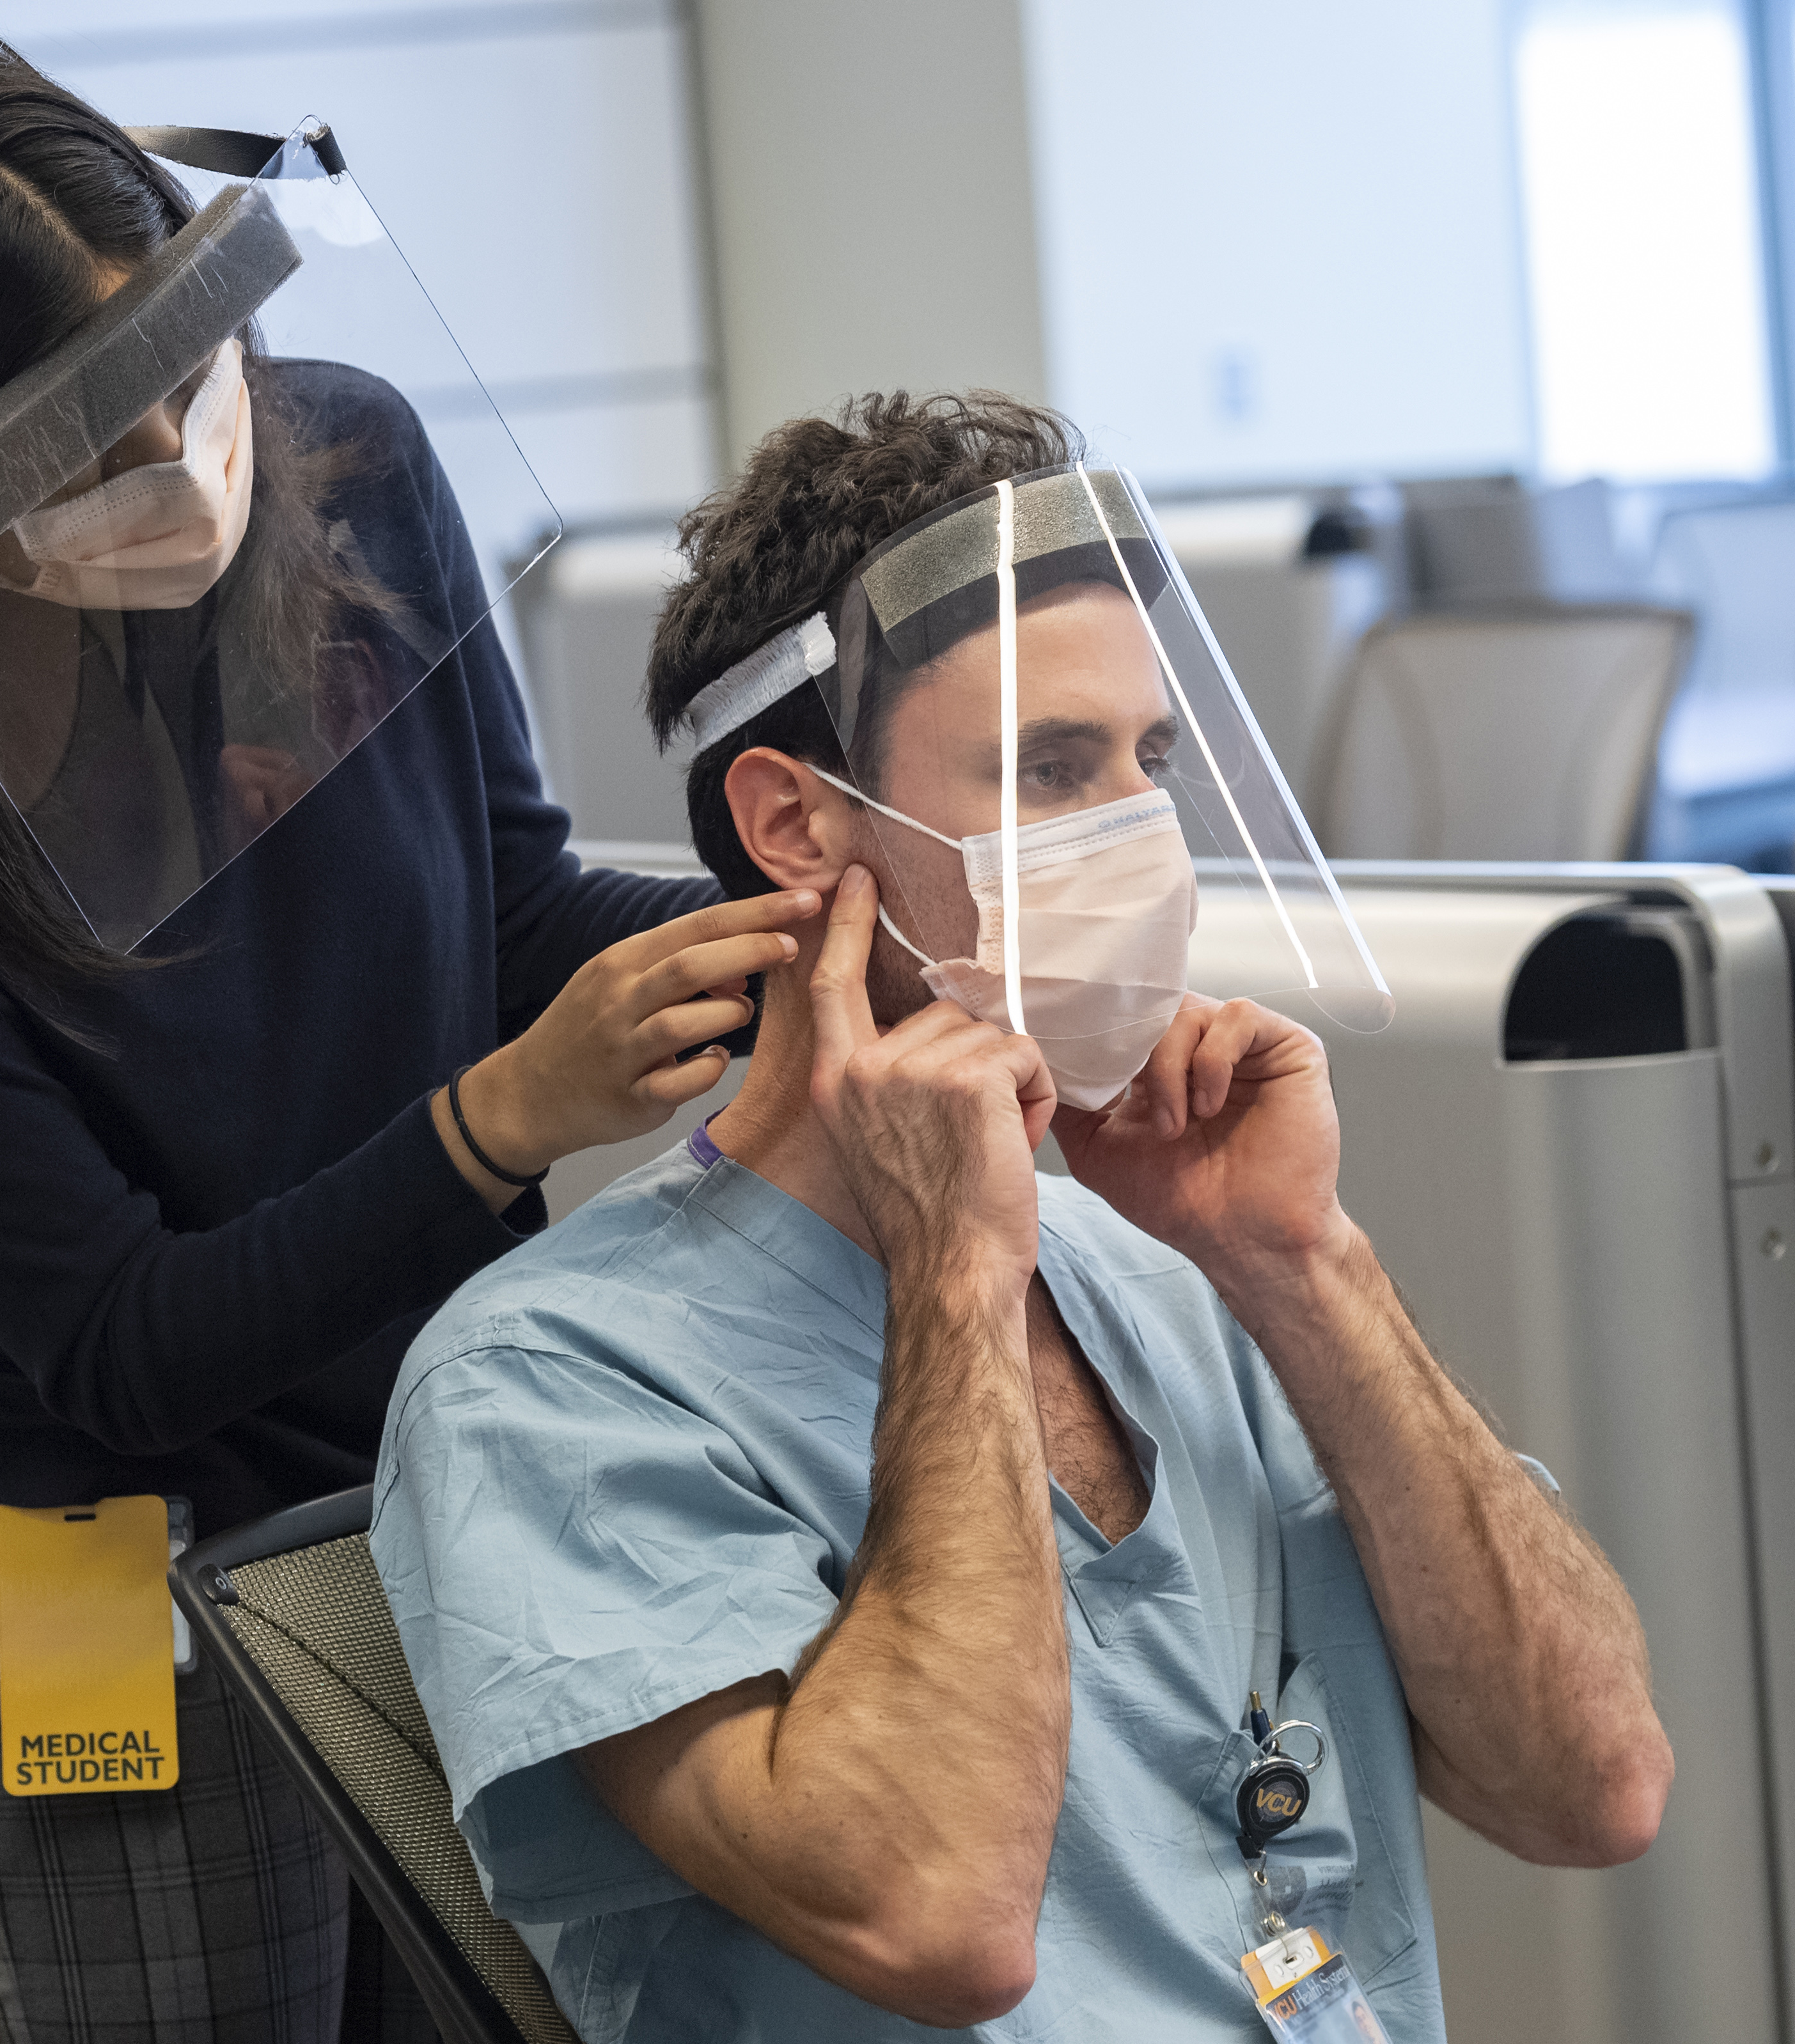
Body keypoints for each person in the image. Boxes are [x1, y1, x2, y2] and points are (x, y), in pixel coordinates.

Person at [0, 22, 814, 2042]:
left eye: (193, 366)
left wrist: (797, 941)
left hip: (436, 1431)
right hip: (83, 1528)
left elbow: (508, 905)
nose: (186, 455)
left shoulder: (345, 461)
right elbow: (114, 1346)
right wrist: (493, 1126)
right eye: (87, 436)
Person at [372, 393, 1674, 2041]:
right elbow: (938, 1922)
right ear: (796, 826)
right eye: (1047, 772)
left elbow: (1596, 1785)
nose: (1135, 838)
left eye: (1151, 766)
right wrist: (957, 1274)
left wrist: (1303, 1266)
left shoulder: (1173, 1277)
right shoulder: (547, 1381)